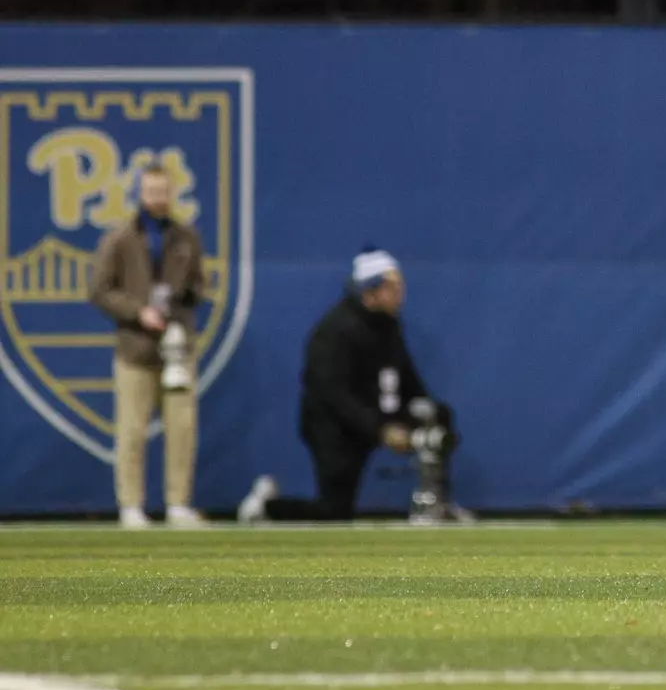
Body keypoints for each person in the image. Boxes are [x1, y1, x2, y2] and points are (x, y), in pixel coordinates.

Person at [237, 248, 469, 524]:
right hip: (335, 426)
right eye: (392, 286)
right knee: (334, 512)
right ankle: (267, 508)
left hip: (380, 412)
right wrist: (381, 430)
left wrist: (422, 411)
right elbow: (335, 396)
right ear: (369, 291)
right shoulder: (334, 331)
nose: (400, 293)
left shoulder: (389, 326)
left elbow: (408, 381)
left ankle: (436, 502)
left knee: (438, 416)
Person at [90, 163, 207, 529]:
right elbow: (99, 290)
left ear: (172, 193)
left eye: (163, 191)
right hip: (135, 348)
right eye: (151, 191)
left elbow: (200, 285)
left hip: (176, 345)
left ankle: (177, 503)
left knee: (182, 427)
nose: (157, 198)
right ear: (140, 193)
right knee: (131, 429)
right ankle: (130, 505)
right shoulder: (120, 238)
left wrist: (182, 300)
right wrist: (138, 312)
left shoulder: (186, 238)